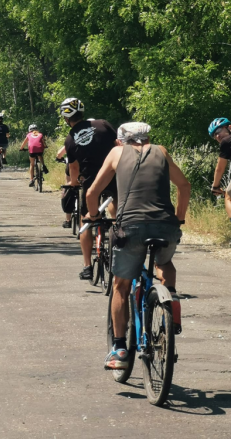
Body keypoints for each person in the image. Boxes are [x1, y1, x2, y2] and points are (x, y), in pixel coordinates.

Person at [85, 122, 191, 370]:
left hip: (130, 227)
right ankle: (171, 308)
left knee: (120, 285)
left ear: (121, 140)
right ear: (147, 138)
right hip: (165, 226)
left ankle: (120, 349)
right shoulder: (161, 151)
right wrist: (179, 218)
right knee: (164, 263)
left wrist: (93, 217)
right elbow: (184, 186)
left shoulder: (116, 153)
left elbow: (92, 193)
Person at [61, 97, 118, 280]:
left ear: (66, 117)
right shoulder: (103, 124)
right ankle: (119, 237)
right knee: (115, 208)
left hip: (91, 182)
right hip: (114, 176)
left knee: (85, 222)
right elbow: (119, 144)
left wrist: (74, 183)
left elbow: (74, 169)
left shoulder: (70, 139)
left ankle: (87, 266)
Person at [208, 117, 231, 219]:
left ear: (229, 127)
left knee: (228, 196)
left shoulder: (226, 141)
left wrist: (215, 186)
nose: (217, 135)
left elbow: (220, 168)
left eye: (218, 130)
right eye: (214, 135)